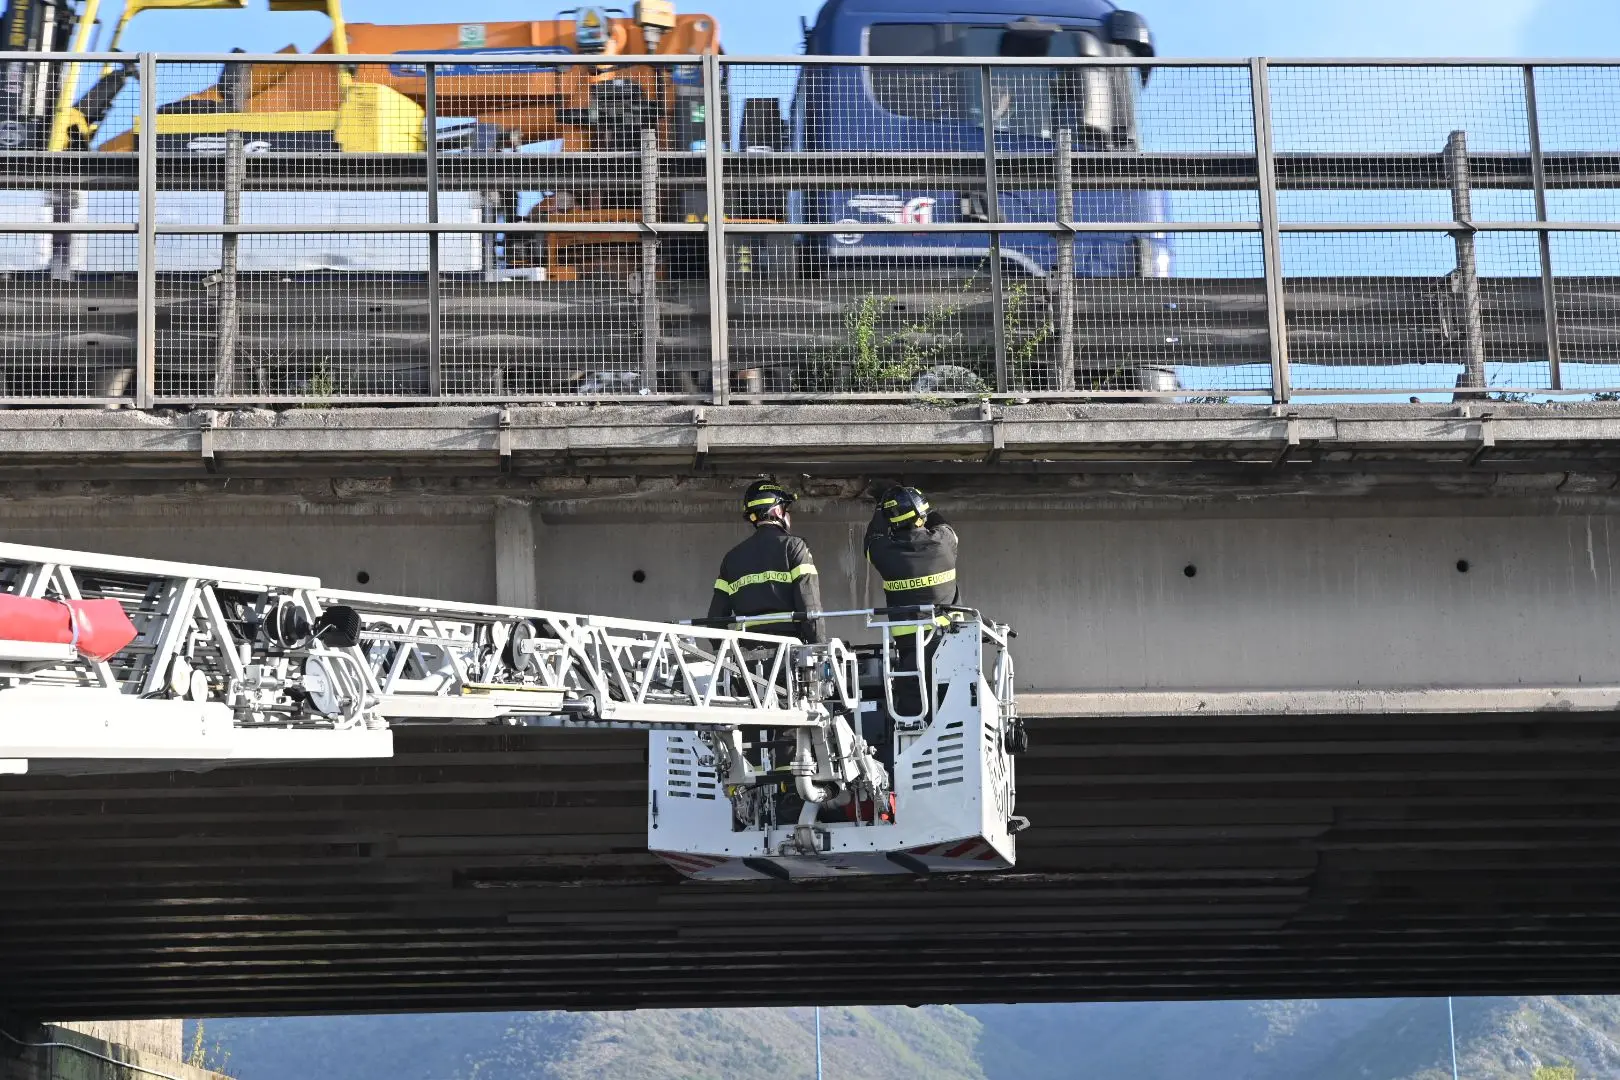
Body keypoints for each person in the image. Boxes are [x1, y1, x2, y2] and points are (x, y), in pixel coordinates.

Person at [864, 486, 960, 723]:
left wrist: (880, 507)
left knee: (913, 713)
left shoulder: (885, 553)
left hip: (910, 650)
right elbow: (942, 523)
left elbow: (871, 539)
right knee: (952, 706)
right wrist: (919, 503)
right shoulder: (944, 544)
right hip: (951, 642)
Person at [707, 480, 825, 644]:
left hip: (745, 658)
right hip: (788, 654)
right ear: (777, 511)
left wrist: (726, 659)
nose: (789, 515)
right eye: (787, 510)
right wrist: (819, 647)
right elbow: (810, 607)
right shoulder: (794, 546)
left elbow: (714, 621)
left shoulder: (732, 558)